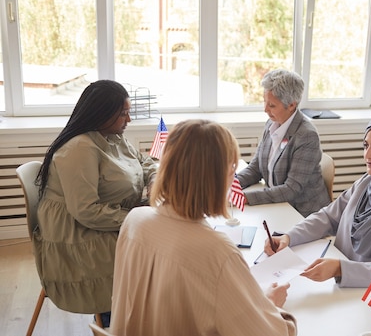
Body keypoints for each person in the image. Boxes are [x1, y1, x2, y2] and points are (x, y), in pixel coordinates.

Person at [109, 119, 297, 336]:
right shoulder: (218, 252)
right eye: (232, 169)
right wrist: (272, 307)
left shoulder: (134, 220)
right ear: (217, 179)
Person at [264, 112, 371, 323]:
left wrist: (340, 269)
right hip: (346, 291)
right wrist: (288, 238)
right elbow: (328, 216)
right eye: (366, 146)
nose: (368, 155)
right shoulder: (369, 182)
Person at [34, 80, 158, 326]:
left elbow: (146, 162)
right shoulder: (80, 149)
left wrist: (153, 182)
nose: (129, 120)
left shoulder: (112, 136)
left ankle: (146, 315)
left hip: (108, 218)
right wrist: (137, 218)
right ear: (101, 113)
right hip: (79, 235)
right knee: (157, 250)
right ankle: (123, 322)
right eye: (123, 114)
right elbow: (87, 212)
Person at [236, 69, 329, 217]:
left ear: (291, 105)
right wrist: (231, 185)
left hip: (302, 213)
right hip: (279, 205)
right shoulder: (271, 123)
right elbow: (256, 168)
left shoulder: (306, 135)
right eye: (264, 102)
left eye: (272, 105)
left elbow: (290, 189)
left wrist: (245, 198)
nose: (265, 109)